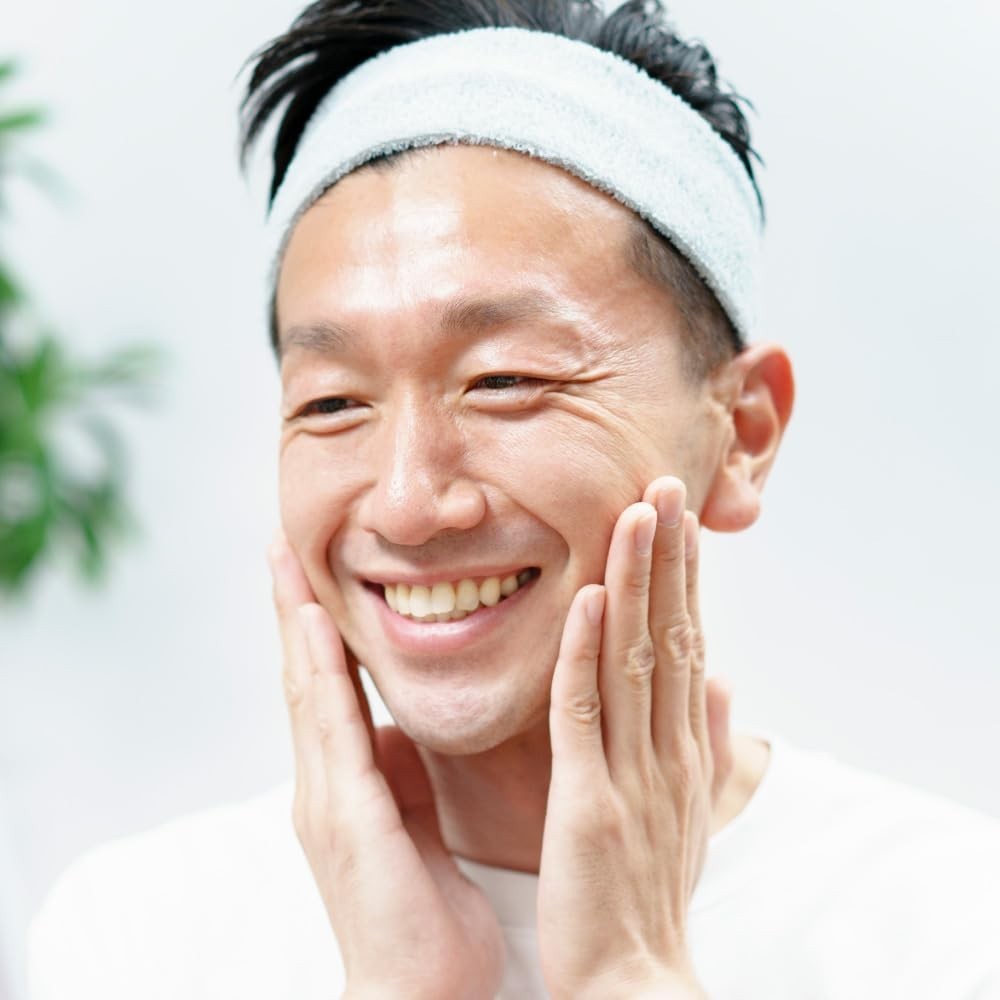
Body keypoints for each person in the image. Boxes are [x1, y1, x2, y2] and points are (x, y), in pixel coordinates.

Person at [27, 1, 1000, 998]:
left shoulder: (955, 930)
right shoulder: (136, 937)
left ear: (742, 431)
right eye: (331, 402)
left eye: (504, 380)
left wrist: (629, 974)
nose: (407, 504)